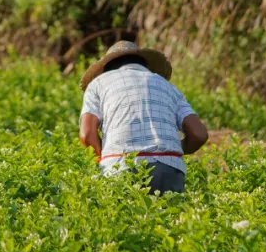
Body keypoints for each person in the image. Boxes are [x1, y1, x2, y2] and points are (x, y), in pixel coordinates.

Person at [79, 41, 208, 194]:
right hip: (170, 168)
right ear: (144, 64)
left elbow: (87, 135)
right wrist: (168, 151)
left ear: (107, 68)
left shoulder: (98, 84)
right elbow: (199, 135)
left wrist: (104, 158)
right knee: (166, 217)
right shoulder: (170, 88)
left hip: (120, 165)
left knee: (122, 217)